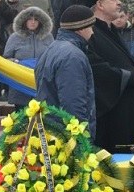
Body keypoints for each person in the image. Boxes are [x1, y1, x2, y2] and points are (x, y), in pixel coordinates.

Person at [88, 0, 134, 153]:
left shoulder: (109, 29)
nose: (119, 3)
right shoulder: (91, 31)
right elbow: (98, 69)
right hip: (113, 116)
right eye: (114, 0)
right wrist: (131, 77)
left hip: (128, 111)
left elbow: (125, 61)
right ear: (100, 4)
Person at [35, 5, 96, 138]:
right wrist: (81, 141)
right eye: (90, 27)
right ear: (81, 29)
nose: (92, 32)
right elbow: (73, 104)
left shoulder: (51, 49)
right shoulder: (73, 56)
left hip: (51, 131)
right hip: (67, 138)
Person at [3, 5, 53, 110]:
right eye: (30, 19)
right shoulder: (14, 37)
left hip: (42, 86)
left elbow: (53, 58)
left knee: (42, 122)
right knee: (21, 122)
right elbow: (5, 60)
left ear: (41, 21)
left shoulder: (48, 37)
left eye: (36, 19)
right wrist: (16, 62)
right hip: (20, 87)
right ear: (24, 21)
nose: (33, 22)